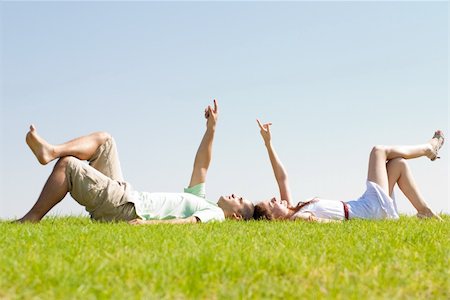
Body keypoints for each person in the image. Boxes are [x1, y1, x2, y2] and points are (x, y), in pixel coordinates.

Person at [16, 100, 254, 224]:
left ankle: (31, 219)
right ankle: (50, 151)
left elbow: (189, 222)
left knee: (68, 165)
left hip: (128, 209)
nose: (235, 194)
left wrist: (147, 225)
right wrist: (211, 128)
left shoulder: (215, 215)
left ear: (235, 217)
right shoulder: (203, 200)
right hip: (128, 197)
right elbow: (201, 166)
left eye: (240, 200)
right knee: (105, 140)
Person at [252, 119, 444, 222]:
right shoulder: (297, 218)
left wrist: (268, 144)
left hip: (364, 206)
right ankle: (428, 148)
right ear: (274, 218)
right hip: (368, 210)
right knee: (378, 151)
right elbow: (332, 224)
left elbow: (282, 179)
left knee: (398, 164)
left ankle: (424, 212)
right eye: (272, 203)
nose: (275, 199)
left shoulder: (295, 208)